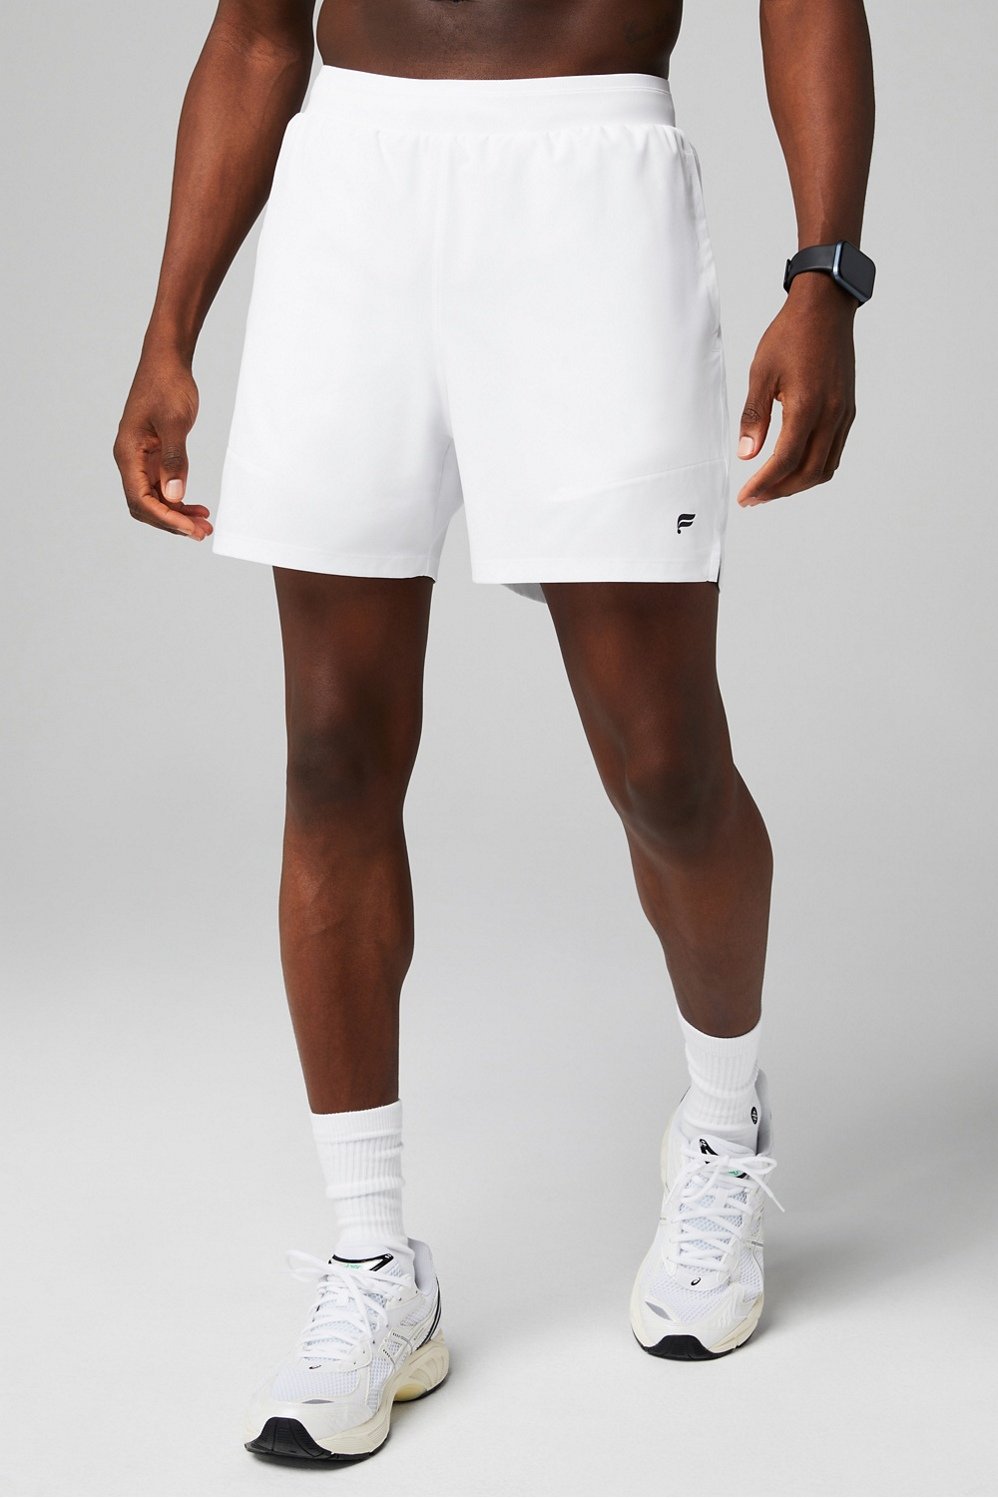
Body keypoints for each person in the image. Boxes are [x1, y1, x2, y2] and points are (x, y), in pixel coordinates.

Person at [113, 0, 875, 1464]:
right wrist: (169, 332)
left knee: (664, 766)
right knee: (332, 753)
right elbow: (259, 35)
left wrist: (825, 272)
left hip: (592, 182)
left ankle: (723, 1128)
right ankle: (371, 1259)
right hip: (353, 190)